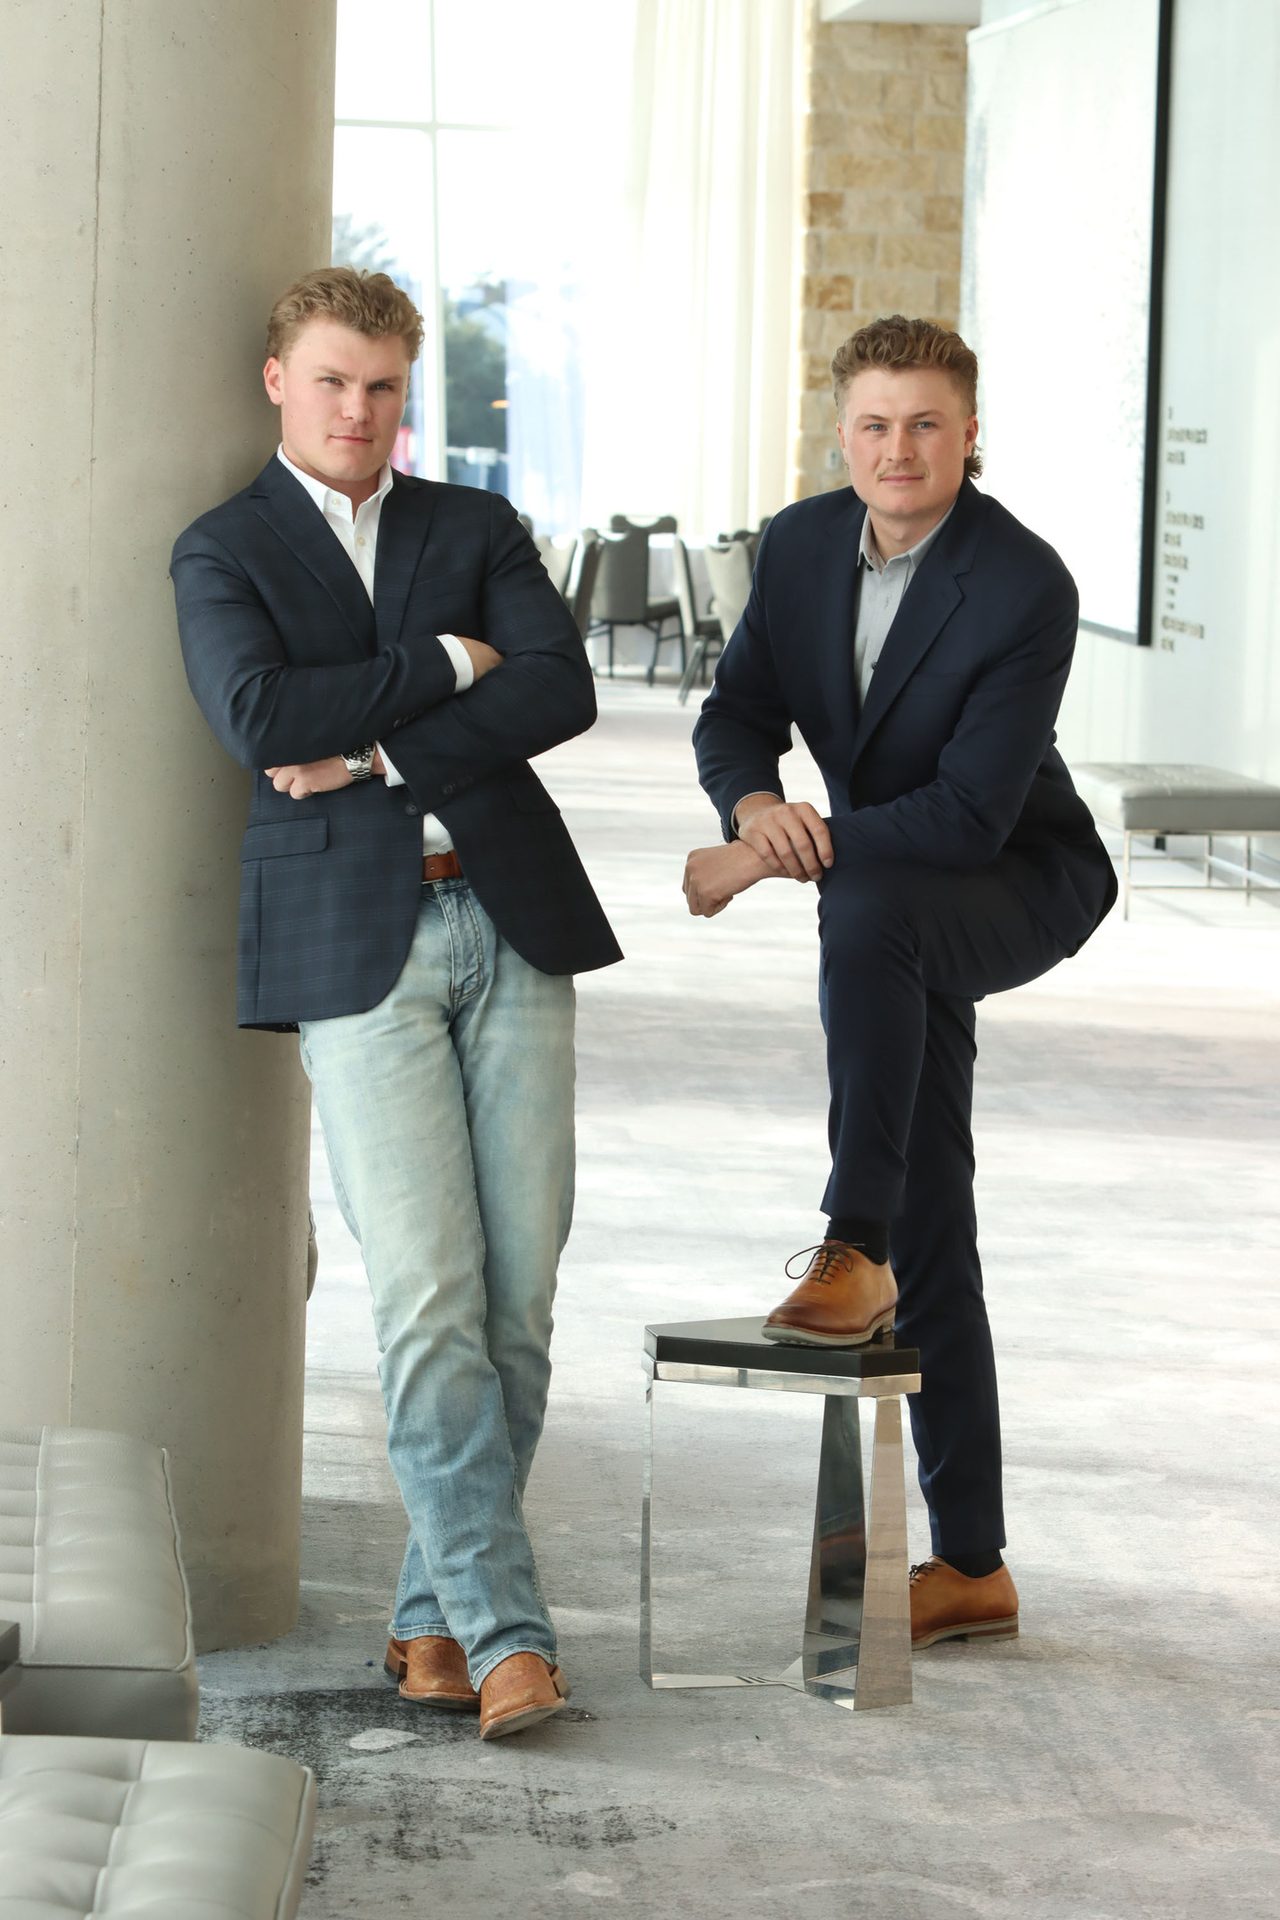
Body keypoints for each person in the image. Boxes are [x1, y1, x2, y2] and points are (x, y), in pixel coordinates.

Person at [172, 267, 620, 1738]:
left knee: (520, 1301)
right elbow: (258, 715)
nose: (358, 411)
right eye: (333, 382)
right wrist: (439, 665)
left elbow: (560, 687)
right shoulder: (223, 548)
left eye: (382, 388)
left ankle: (433, 1620)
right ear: (278, 381)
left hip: (513, 919)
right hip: (354, 947)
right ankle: (507, 1638)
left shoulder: (470, 525)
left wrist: (377, 751)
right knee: (428, 1295)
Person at [684, 315, 1116, 1651]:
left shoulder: (1023, 582)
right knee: (937, 1200)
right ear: (842, 434)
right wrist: (754, 805)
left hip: (1016, 875)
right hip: (886, 892)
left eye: (927, 424)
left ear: (969, 436)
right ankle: (973, 1563)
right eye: (875, 424)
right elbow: (735, 711)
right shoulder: (803, 544)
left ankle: (851, 1243)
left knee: (865, 908)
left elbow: (972, 815)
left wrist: (761, 863)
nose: (899, 449)